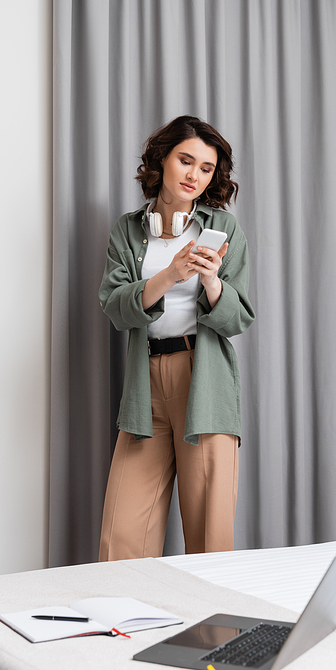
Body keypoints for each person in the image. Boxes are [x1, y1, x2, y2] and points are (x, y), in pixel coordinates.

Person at [98, 115, 255, 561]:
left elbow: (238, 318)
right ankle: (124, 628)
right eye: (186, 161)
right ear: (161, 159)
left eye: (206, 168)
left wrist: (210, 281)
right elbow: (114, 307)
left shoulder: (224, 230)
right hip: (144, 383)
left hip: (202, 381)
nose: (194, 175)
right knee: (121, 536)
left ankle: (213, 631)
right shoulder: (128, 230)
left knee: (209, 537)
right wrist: (171, 274)